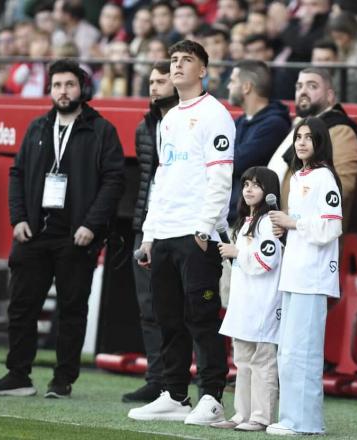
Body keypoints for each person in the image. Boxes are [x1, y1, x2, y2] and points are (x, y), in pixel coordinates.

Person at [0, 59, 125, 399]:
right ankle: (18, 375)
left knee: (72, 310)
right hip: (34, 233)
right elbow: (16, 174)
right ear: (50, 89)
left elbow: (114, 181)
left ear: (82, 89)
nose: (63, 91)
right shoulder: (38, 127)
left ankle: (62, 380)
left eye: (69, 85)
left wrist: (91, 224)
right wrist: (18, 218)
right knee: (21, 305)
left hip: (77, 235)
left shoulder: (101, 130)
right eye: (57, 85)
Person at [128, 40, 234, 425]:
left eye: (186, 60)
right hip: (166, 232)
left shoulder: (216, 114)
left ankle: (212, 396)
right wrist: (150, 235)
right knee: (168, 318)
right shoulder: (169, 118)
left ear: (203, 69)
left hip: (196, 234)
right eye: (173, 60)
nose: (177, 66)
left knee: (201, 317)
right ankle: (174, 394)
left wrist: (205, 230)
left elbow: (221, 176)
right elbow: (162, 177)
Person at [267, 116, 343, 435]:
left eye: (308, 138)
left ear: (320, 142)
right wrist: (285, 227)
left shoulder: (325, 177)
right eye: (298, 137)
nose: (301, 143)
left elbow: (332, 226)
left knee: (304, 351)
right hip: (295, 273)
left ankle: (305, 422)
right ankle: (290, 418)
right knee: (288, 351)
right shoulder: (298, 176)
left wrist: (292, 223)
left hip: (312, 276)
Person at [121, 61, 179, 404]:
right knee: (148, 307)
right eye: (151, 82)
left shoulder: (191, 122)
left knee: (183, 309)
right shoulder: (145, 127)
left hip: (180, 227)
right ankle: (156, 380)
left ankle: (186, 382)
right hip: (145, 226)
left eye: (161, 81)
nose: (154, 87)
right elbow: (147, 179)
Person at [212, 166, 283, 432]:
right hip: (243, 304)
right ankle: (242, 414)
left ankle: (261, 417)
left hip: (263, 303)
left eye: (256, 184)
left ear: (269, 191)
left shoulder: (269, 223)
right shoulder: (244, 223)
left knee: (262, 361)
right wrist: (236, 252)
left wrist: (237, 251)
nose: (249, 189)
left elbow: (267, 261)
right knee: (242, 362)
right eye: (246, 185)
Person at [267, 67, 357, 232]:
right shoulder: (299, 126)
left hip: (314, 240)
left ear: (330, 96)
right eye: (299, 87)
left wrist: (291, 217)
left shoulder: (341, 131)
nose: (303, 91)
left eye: (312, 86)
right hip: (284, 232)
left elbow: (341, 188)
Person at [226, 60, 290, 225]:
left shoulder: (275, 124)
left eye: (233, 81)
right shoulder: (239, 121)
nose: (228, 86)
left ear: (246, 87)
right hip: (230, 214)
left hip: (253, 220)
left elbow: (234, 162)